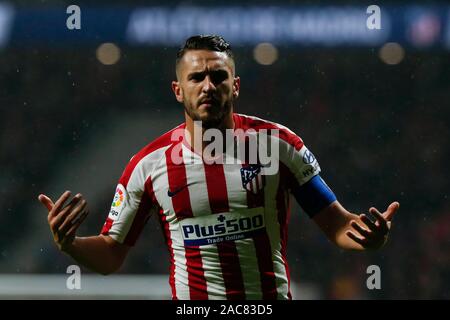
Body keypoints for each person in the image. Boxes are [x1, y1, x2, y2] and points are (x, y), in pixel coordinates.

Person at [38, 35, 399, 300]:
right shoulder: (147, 165)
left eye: (218, 77)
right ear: (178, 90)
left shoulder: (279, 145)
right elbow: (111, 254)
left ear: (235, 86)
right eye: (196, 78)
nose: (208, 86)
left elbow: (337, 223)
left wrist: (369, 236)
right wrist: (70, 244)